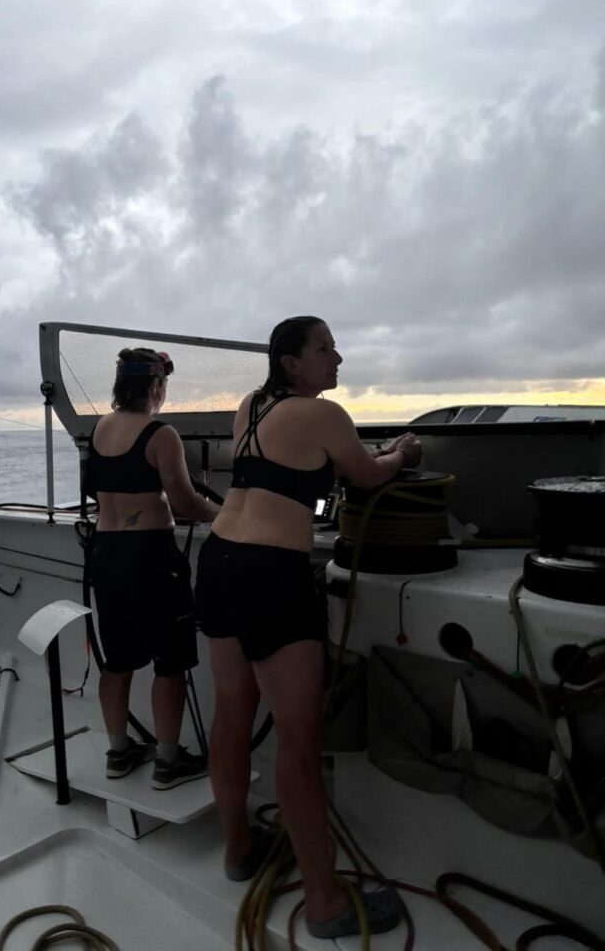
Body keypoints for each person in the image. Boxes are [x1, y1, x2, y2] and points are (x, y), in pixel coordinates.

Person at [195, 316, 421, 939]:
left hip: (218, 560)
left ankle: (239, 851)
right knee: (298, 741)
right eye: (324, 349)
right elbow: (368, 474)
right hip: (271, 573)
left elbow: (279, 480)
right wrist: (403, 451)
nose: (338, 358)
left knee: (231, 715)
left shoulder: (250, 405)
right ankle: (324, 905)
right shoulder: (326, 416)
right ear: (291, 363)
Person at [88, 347, 219, 790]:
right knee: (170, 662)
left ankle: (119, 752)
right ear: (157, 386)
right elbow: (184, 503)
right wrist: (225, 515)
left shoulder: (100, 429)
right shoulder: (161, 434)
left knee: (119, 659)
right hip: (151, 558)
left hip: (106, 555)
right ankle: (167, 762)